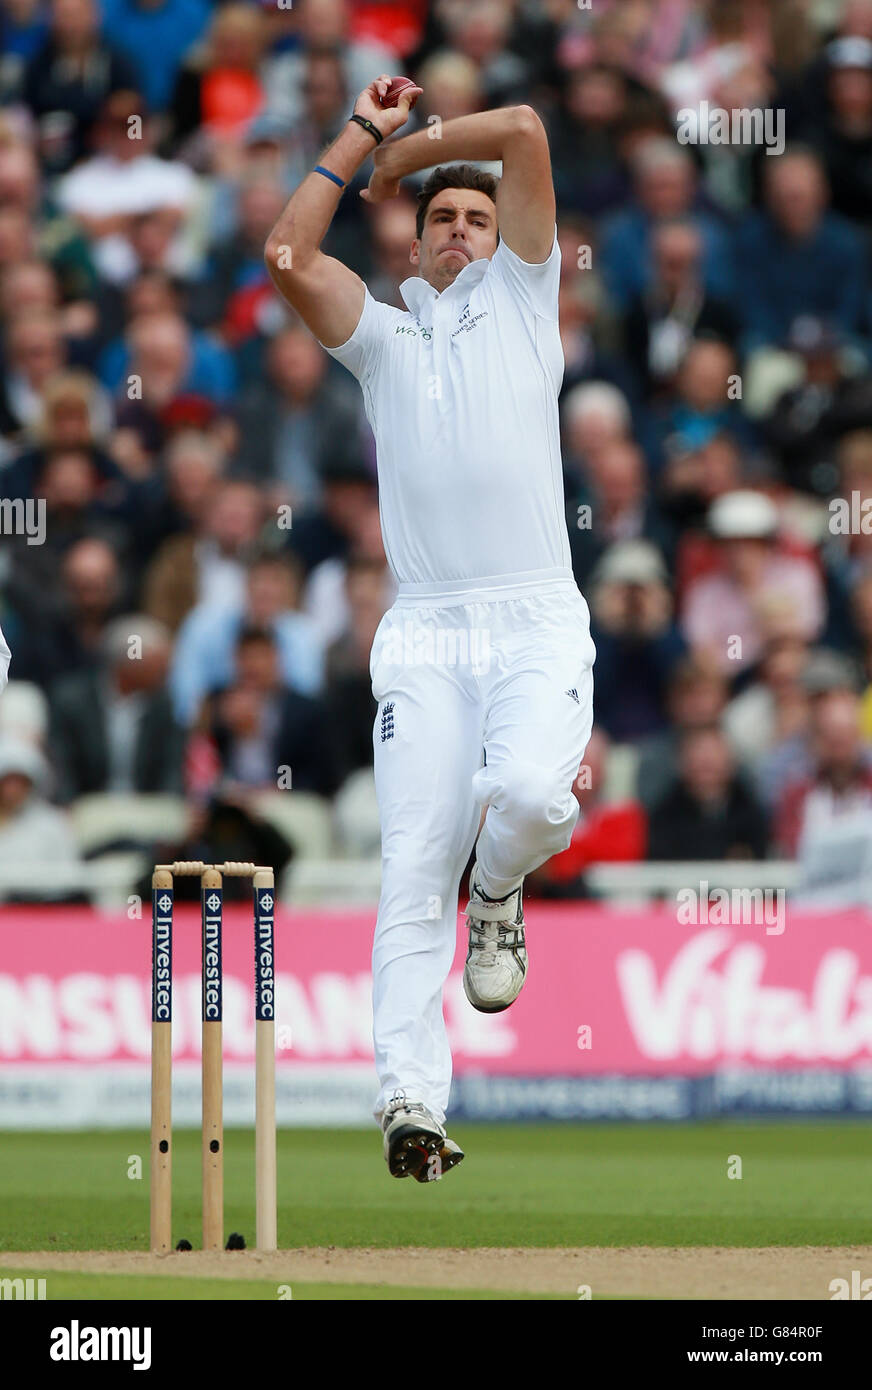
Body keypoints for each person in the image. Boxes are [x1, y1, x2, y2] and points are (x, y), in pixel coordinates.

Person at [266, 76, 596, 1180]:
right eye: (440, 223)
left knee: (535, 798)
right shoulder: (384, 340)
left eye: (475, 219)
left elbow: (525, 132)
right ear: (412, 251)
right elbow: (286, 256)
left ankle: (497, 891)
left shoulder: (524, 295)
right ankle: (410, 1099)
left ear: (506, 244)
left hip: (535, 612)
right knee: (411, 863)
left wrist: (410, 158)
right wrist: (359, 133)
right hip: (423, 632)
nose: (458, 232)